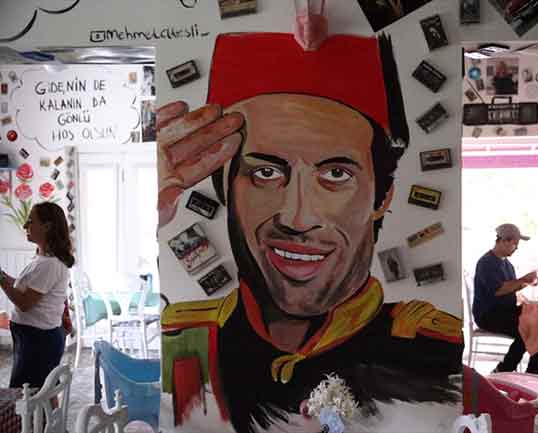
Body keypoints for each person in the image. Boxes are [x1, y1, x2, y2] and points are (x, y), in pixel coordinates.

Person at [158, 33, 463, 433]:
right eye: (266, 172)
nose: (297, 218)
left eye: (335, 174)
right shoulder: (182, 343)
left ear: (382, 196)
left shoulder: (432, 351)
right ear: (225, 188)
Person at [0, 202, 75, 388]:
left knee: (28, 393)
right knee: (41, 390)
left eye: (31, 221)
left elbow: (25, 303)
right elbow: (23, 288)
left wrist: (0, 278)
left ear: (47, 226)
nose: (25, 225)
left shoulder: (49, 264)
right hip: (35, 337)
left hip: (38, 340)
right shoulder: (43, 259)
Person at [472, 223, 538, 374]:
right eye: (515, 244)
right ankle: (506, 370)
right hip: (489, 315)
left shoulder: (508, 265)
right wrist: (523, 280)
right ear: (504, 241)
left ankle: (529, 374)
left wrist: (526, 283)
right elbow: (498, 290)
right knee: (530, 328)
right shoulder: (486, 263)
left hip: (506, 312)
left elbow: (511, 287)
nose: (516, 248)